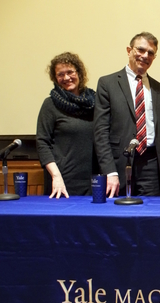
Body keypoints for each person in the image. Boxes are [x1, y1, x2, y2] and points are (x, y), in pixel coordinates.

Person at [93, 32, 160, 197]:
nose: (145, 56)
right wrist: (109, 171)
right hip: (119, 165)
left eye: (151, 53)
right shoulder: (107, 84)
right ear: (129, 50)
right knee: (118, 218)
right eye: (141, 50)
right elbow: (100, 132)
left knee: (150, 218)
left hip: (152, 165)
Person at [36, 52, 97, 198]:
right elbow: (42, 142)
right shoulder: (50, 105)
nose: (66, 78)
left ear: (79, 73)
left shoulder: (95, 102)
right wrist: (56, 176)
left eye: (70, 72)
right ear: (55, 78)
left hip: (93, 181)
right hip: (62, 182)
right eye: (60, 74)